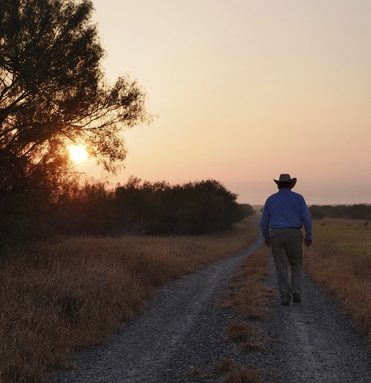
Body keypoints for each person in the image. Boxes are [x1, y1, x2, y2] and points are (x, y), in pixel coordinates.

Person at [260, 174, 312, 305]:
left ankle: (284, 296)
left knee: (281, 266)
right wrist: (309, 235)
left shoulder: (270, 199)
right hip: (294, 233)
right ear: (291, 185)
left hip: (276, 234)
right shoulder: (299, 198)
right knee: (296, 263)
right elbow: (307, 218)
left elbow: (264, 221)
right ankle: (296, 292)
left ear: (278, 185)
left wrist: (266, 237)